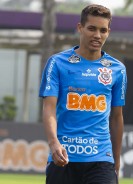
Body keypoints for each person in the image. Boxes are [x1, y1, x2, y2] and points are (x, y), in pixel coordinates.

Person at [39, 4, 127, 184]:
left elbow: (117, 118)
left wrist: (116, 161)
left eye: (103, 30)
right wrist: (53, 143)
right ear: (80, 28)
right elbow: (49, 109)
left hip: (101, 159)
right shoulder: (57, 63)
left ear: (108, 32)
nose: (97, 35)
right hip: (63, 157)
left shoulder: (118, 69)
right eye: (92, 29)